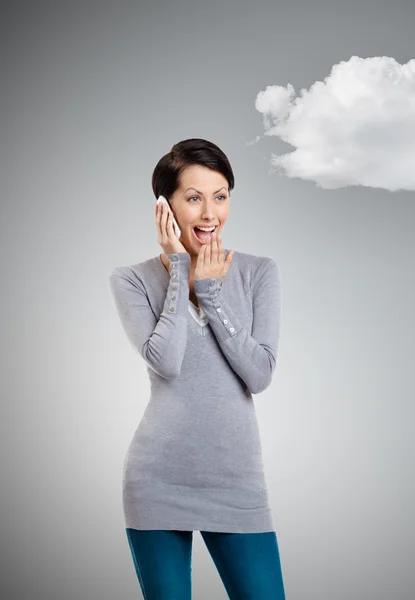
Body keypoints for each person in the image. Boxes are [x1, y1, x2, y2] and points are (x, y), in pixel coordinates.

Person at [109, 138, 285, 599]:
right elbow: (166, 362)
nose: (210, 214)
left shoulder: (257, 272)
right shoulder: (131, 279)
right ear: (164, 207)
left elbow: (260, 374)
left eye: (220, 196)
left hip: (237, 482)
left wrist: (210, 293)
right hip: (157, 481)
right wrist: (180, 269)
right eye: (193, 198)